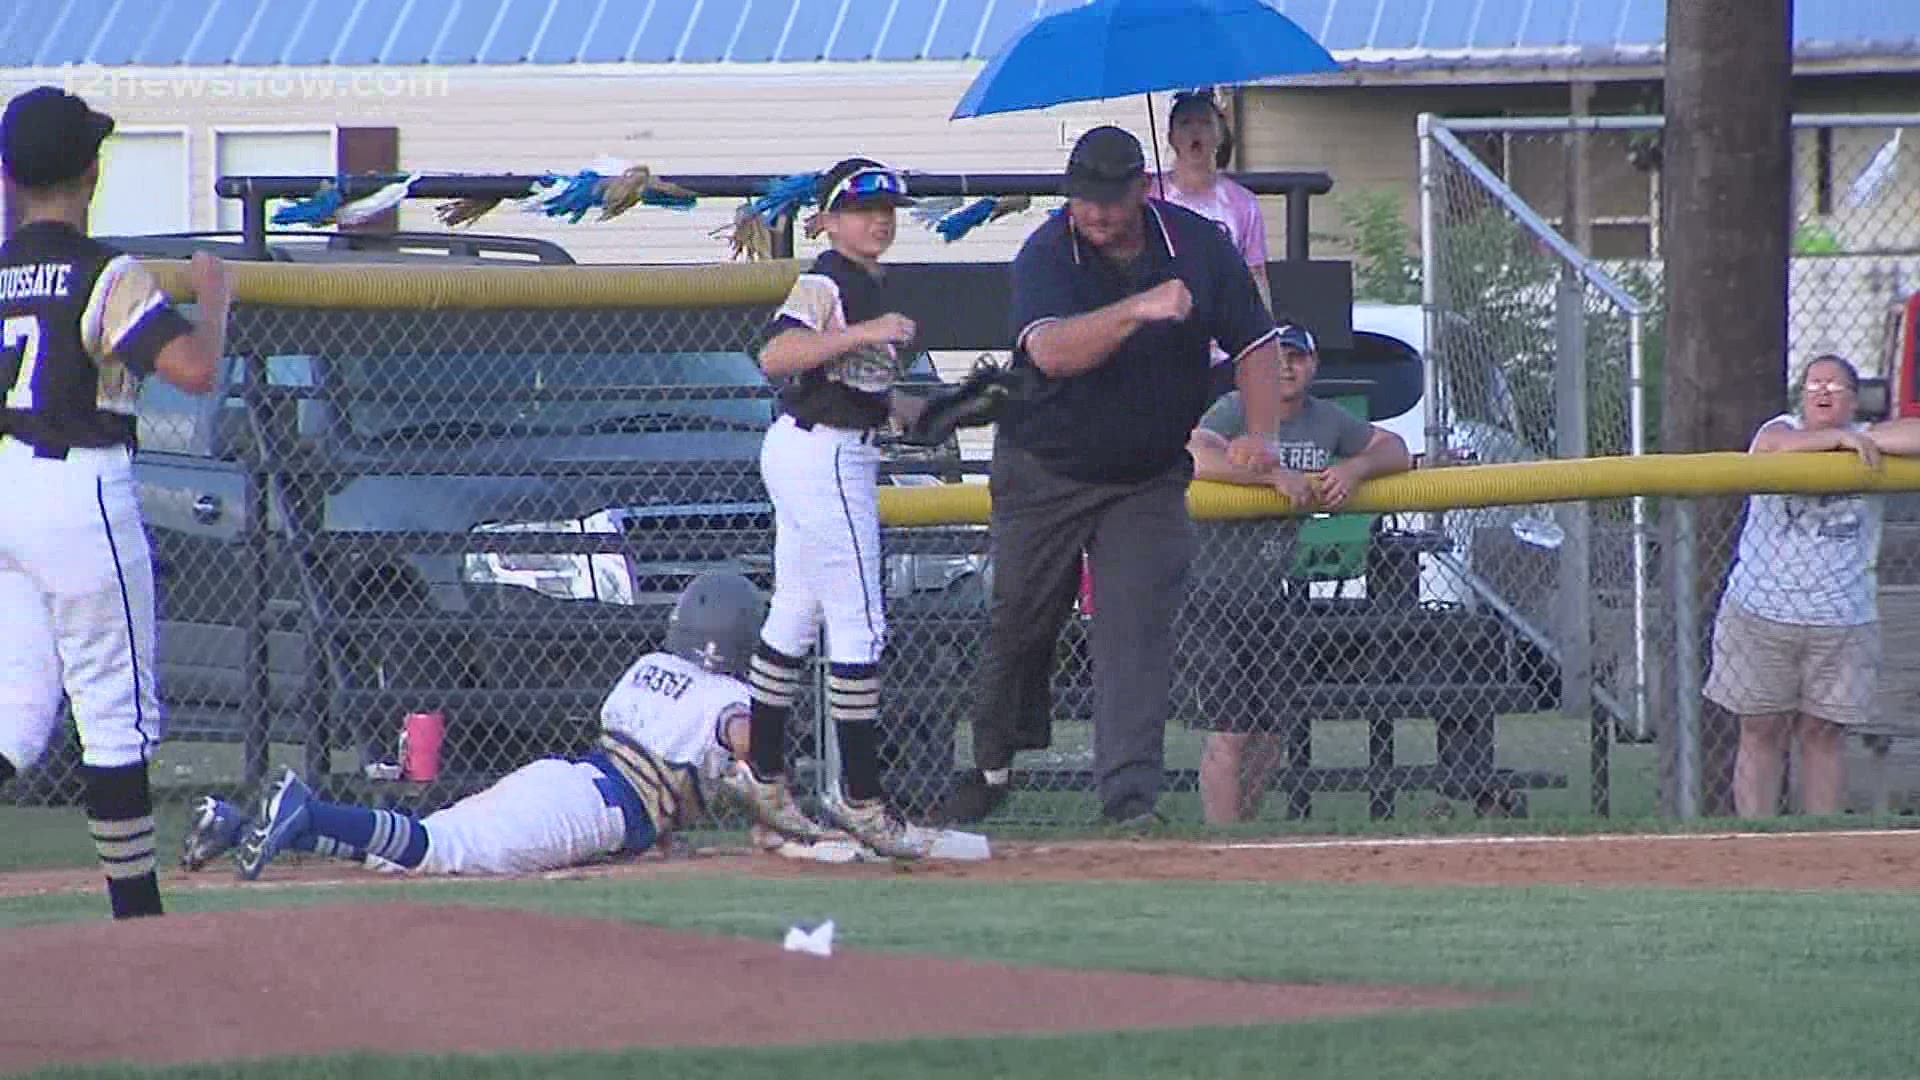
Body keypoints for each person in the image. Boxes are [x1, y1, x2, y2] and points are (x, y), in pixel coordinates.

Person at [937, 125, 1287, 827]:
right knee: (1021, 623)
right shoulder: (1046, 252)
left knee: (1134, 629)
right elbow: (1053, 353)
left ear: (1142, 189)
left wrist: (1260, 432)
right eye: (1081, 199)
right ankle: (993, 761)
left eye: (1109, 200)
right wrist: (1140, 307)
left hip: (1147, 476)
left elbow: (1258, 341)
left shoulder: (1197, 246)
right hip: (1046, 469)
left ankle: (1129, 799)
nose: (1094, 214)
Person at [183, 573, 853, 878]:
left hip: (569, 779)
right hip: (598, 805)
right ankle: (304, 808)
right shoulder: (731, 695)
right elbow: (744, 734)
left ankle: (236, 823)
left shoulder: (651, 665)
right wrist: (776, 796)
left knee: (422, 849)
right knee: (438, 851)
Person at [0, 86, 229, 920]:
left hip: (7, 486)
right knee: (115, 714)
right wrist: (217, 301)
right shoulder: (106, 271)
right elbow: (195, 370)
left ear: (9, 175)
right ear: (91, 172)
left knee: (13, 719)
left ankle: (135, 917)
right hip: (80, 483)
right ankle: (138, 919)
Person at [726, 157, 933, 859]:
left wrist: (929, 408)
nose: (879, 219)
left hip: (822, 447)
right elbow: (777, 355)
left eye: (888, 209)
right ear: (829, 218)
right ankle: (861, 796)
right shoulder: (826, 279)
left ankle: (764, 775)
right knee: (860, 623)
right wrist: (862, 333)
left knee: (798, 610)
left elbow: (861, 388)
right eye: (861, 207)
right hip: (825, 457)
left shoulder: (867, 281)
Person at [1183, 322, 1411, 823]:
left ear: (1314, 366)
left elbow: (1394, 449)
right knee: (1231, 729)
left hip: (1271, 594)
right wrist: (1270, 475)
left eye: (1298, 358)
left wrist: (1353, 470)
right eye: (1275, 358)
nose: (1285, 367)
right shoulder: (1236, 409)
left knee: (1270, 731)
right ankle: (1220, 847)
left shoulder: (1326, 419)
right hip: (1209, 591)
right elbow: (1193, 454)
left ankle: (1244, 834)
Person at [1704, 355, 1920, 818]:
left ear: (1854, 398)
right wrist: (1836, 440)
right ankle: (1757, 841)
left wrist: (1858, 439)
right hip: (1761, 611)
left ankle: (1822, 845)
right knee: (1760, 729)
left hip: (1842, 618)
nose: (1823, 393)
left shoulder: (1873, 440)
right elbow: (1771, 448)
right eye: (1814, 384)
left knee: (1824, 734)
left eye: (1836, 386)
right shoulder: (1779, 429)